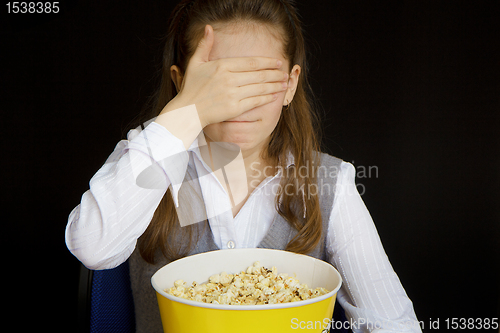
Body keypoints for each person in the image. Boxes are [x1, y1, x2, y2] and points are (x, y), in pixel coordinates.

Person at [65, 0, 422, 332]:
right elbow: (93, 246)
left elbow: (393, 322)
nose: (240, 103)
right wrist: (186, 112)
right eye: (218, 83)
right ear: (180, 82)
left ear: (290, 85)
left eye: (261, 80)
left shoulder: (329, 182)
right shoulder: (150, 155)